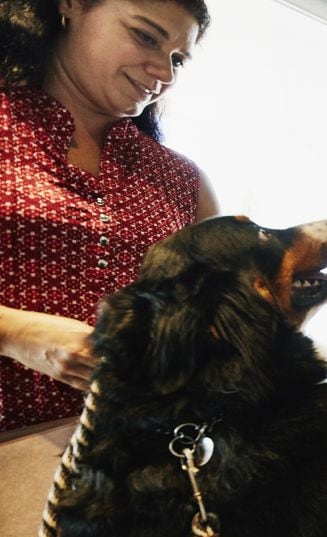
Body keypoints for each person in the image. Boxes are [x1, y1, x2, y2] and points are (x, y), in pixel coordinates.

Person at [0, 0, 218, 432]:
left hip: (144, 457)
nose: (165, 73)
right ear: (72, 6)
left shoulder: (183, 181)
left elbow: (218, 315)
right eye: (146, 37)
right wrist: (15, 333)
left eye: (178, 58)